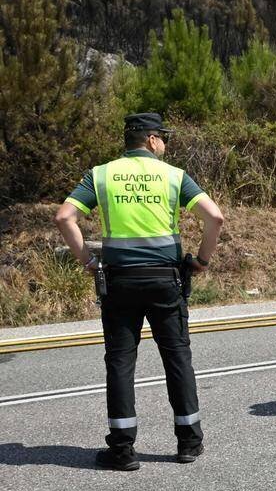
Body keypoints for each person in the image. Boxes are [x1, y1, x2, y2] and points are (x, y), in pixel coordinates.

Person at [53, 113, 224, 471]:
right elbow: (215, 218)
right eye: (163, 137)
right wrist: (202, 260)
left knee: (120, 362)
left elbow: (64, 217)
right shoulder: (174, 176)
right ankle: (189, 442)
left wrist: (87, 259)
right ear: (150, 140)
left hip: (120, 283)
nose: (165, 143)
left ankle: (122, 449)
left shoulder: (101, 175)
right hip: (165, 280)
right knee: (177, 357)